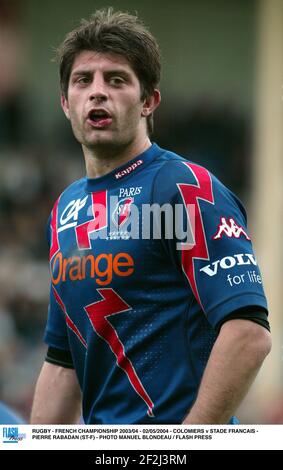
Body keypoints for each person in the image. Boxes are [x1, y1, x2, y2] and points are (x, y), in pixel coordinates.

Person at [30, 8, 271, 425]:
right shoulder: (64, 211)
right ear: (65, 103)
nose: (97, 92)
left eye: (117, 79)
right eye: (83, 80)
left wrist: (183, 446)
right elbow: (61, 361)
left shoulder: (184, 188)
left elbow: (248, 333)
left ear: (149, 101)